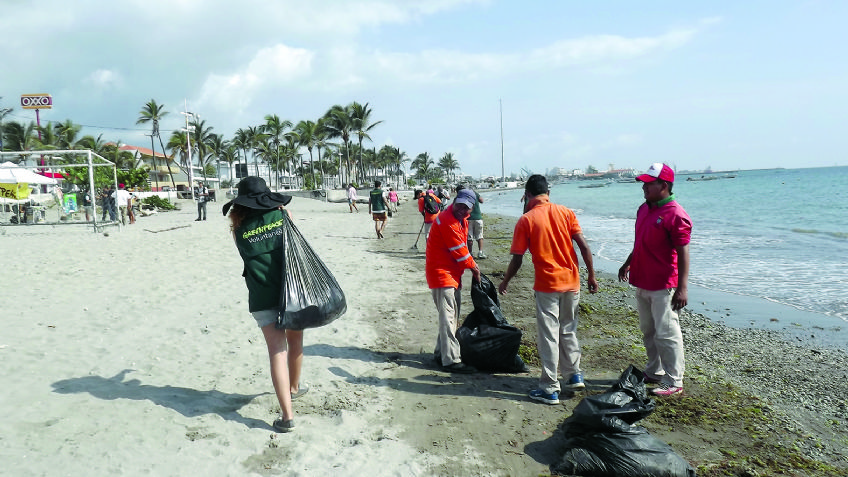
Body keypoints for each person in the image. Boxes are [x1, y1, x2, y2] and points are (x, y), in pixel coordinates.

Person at [498, 175, 598, 405]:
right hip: (572, 282)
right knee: (568, 329)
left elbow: (517, 259)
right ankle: (574, 374)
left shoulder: (527, 219)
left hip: (547, 285)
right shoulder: (565, 212)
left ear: (528, 195)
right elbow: (583, 245)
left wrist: (505, 281)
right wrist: (591, 275)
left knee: (549, 336)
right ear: (548, 193)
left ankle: (550, 387)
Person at [223, 176, 307, 433]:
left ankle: (287, 415)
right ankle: (293, 388)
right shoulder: (284, 216)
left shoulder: (238, 229)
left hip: (261, 294)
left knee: (276, 351)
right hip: (290, 290)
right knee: (296, 342)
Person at [618, 163, 691, 397]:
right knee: (648, 329)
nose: (644, 187)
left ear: (665, 185)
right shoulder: (644, 209)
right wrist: (628, 261)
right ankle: (654, 370)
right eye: (643, 183)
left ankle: (674, 380)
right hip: (642, 279)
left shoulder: (676, 214)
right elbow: (640, 241)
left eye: (649, 184)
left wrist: (682, 288)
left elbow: (683, 252)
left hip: (663, 283)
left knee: (667, 332)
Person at [426, 188, 481, 373]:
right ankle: (451, 360)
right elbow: (461, 252)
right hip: (441, 274)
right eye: (459, 205)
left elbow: (461, 249)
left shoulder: (461, 220)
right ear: (454, 201)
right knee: (449, 317)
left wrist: (461, 276)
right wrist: (475, 269)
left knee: (450, 316)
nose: (461, 209)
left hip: (451, 274)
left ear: (471, 209)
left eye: (465, 207)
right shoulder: (448, 220)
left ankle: (440, 352)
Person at [461, 185, 486, 259]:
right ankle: (480, 252)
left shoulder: (464, 195)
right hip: (478, 217)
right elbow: (482, 201)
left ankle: (470, 253)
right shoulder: (475, 194)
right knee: (479, 236)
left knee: (469, 237)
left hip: (468, 218)